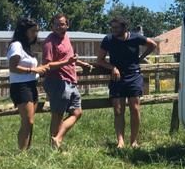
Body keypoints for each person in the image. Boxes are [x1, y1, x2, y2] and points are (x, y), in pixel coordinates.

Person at [96, 16, 157, 149]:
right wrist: (113, 68)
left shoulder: (135, 38)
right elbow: (99, 60)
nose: (113, 30)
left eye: (116, 27)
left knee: (135, 109)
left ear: (124, 27)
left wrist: (141, 57)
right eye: (112, 27)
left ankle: (134, 141)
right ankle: (120, 142)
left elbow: (153, 44)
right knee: (118, 110)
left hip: (133, 76)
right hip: (117, 78)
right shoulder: (108, 40)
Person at [41, 13, 85, 151]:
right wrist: (67, 62)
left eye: (62, 24)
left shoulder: (66, 37)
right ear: (52, 26)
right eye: (56, 24)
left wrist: (82, 63)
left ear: (67, 25)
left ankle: (57, 138)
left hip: (71, 80)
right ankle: (54, 147)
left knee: (77, 112)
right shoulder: (49, 42)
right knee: (57, 114)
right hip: (57, 81)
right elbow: (47, 65)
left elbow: (69, 57)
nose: (59, 27)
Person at [8, 18, 47, 151]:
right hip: (20, 86)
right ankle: (21, 152)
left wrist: (40, 69)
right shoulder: (16, 45)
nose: (35, 34)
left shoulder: (27, 48)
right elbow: (13, 67)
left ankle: (26, 150)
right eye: (32, 31)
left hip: (31, 84)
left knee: (30, 121)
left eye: (36, 31)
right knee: (27, 121)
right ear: (24, 31)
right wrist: (33, 70)